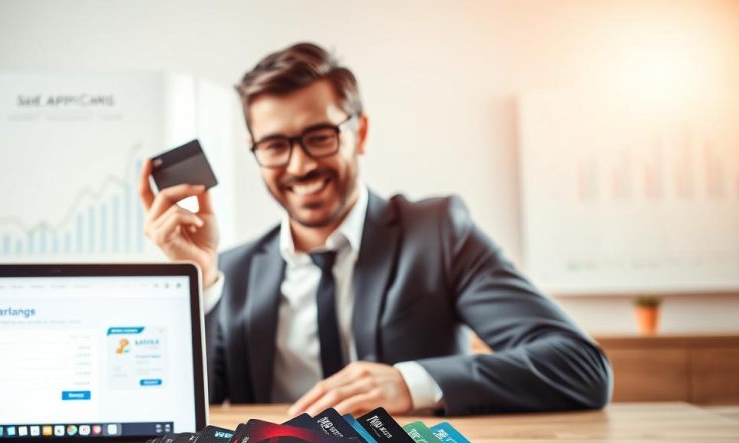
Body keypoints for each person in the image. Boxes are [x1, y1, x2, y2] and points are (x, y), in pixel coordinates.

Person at [138, 42, 611, 417]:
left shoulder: (438, 234)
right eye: (276, 145)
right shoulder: (233, 273)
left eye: (319, 137)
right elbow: (185, 411)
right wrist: (198, 280)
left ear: (358, 133)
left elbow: (579, 366)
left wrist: (410, 383)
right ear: (255, 150)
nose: (300, 165)